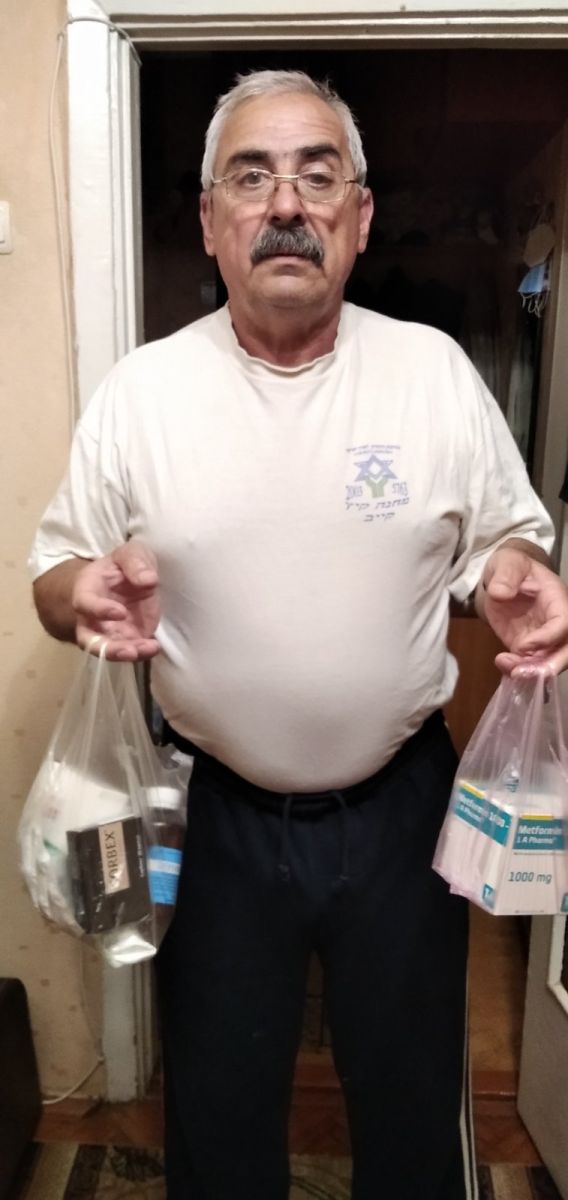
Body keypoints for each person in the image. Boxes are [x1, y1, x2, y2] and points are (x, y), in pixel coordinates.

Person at [30, 70, 568, 1200]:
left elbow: (504, 541)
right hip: (212, 818)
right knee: (219, 1114)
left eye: (318, 176)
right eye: (252, 176)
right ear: (210, 219)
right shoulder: (143, 392)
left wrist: (516, 576)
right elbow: (55, 573)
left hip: (402, 813)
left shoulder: (432, 373)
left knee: (413, 1107)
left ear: (358, 217)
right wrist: (84, 596)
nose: (286, 203)